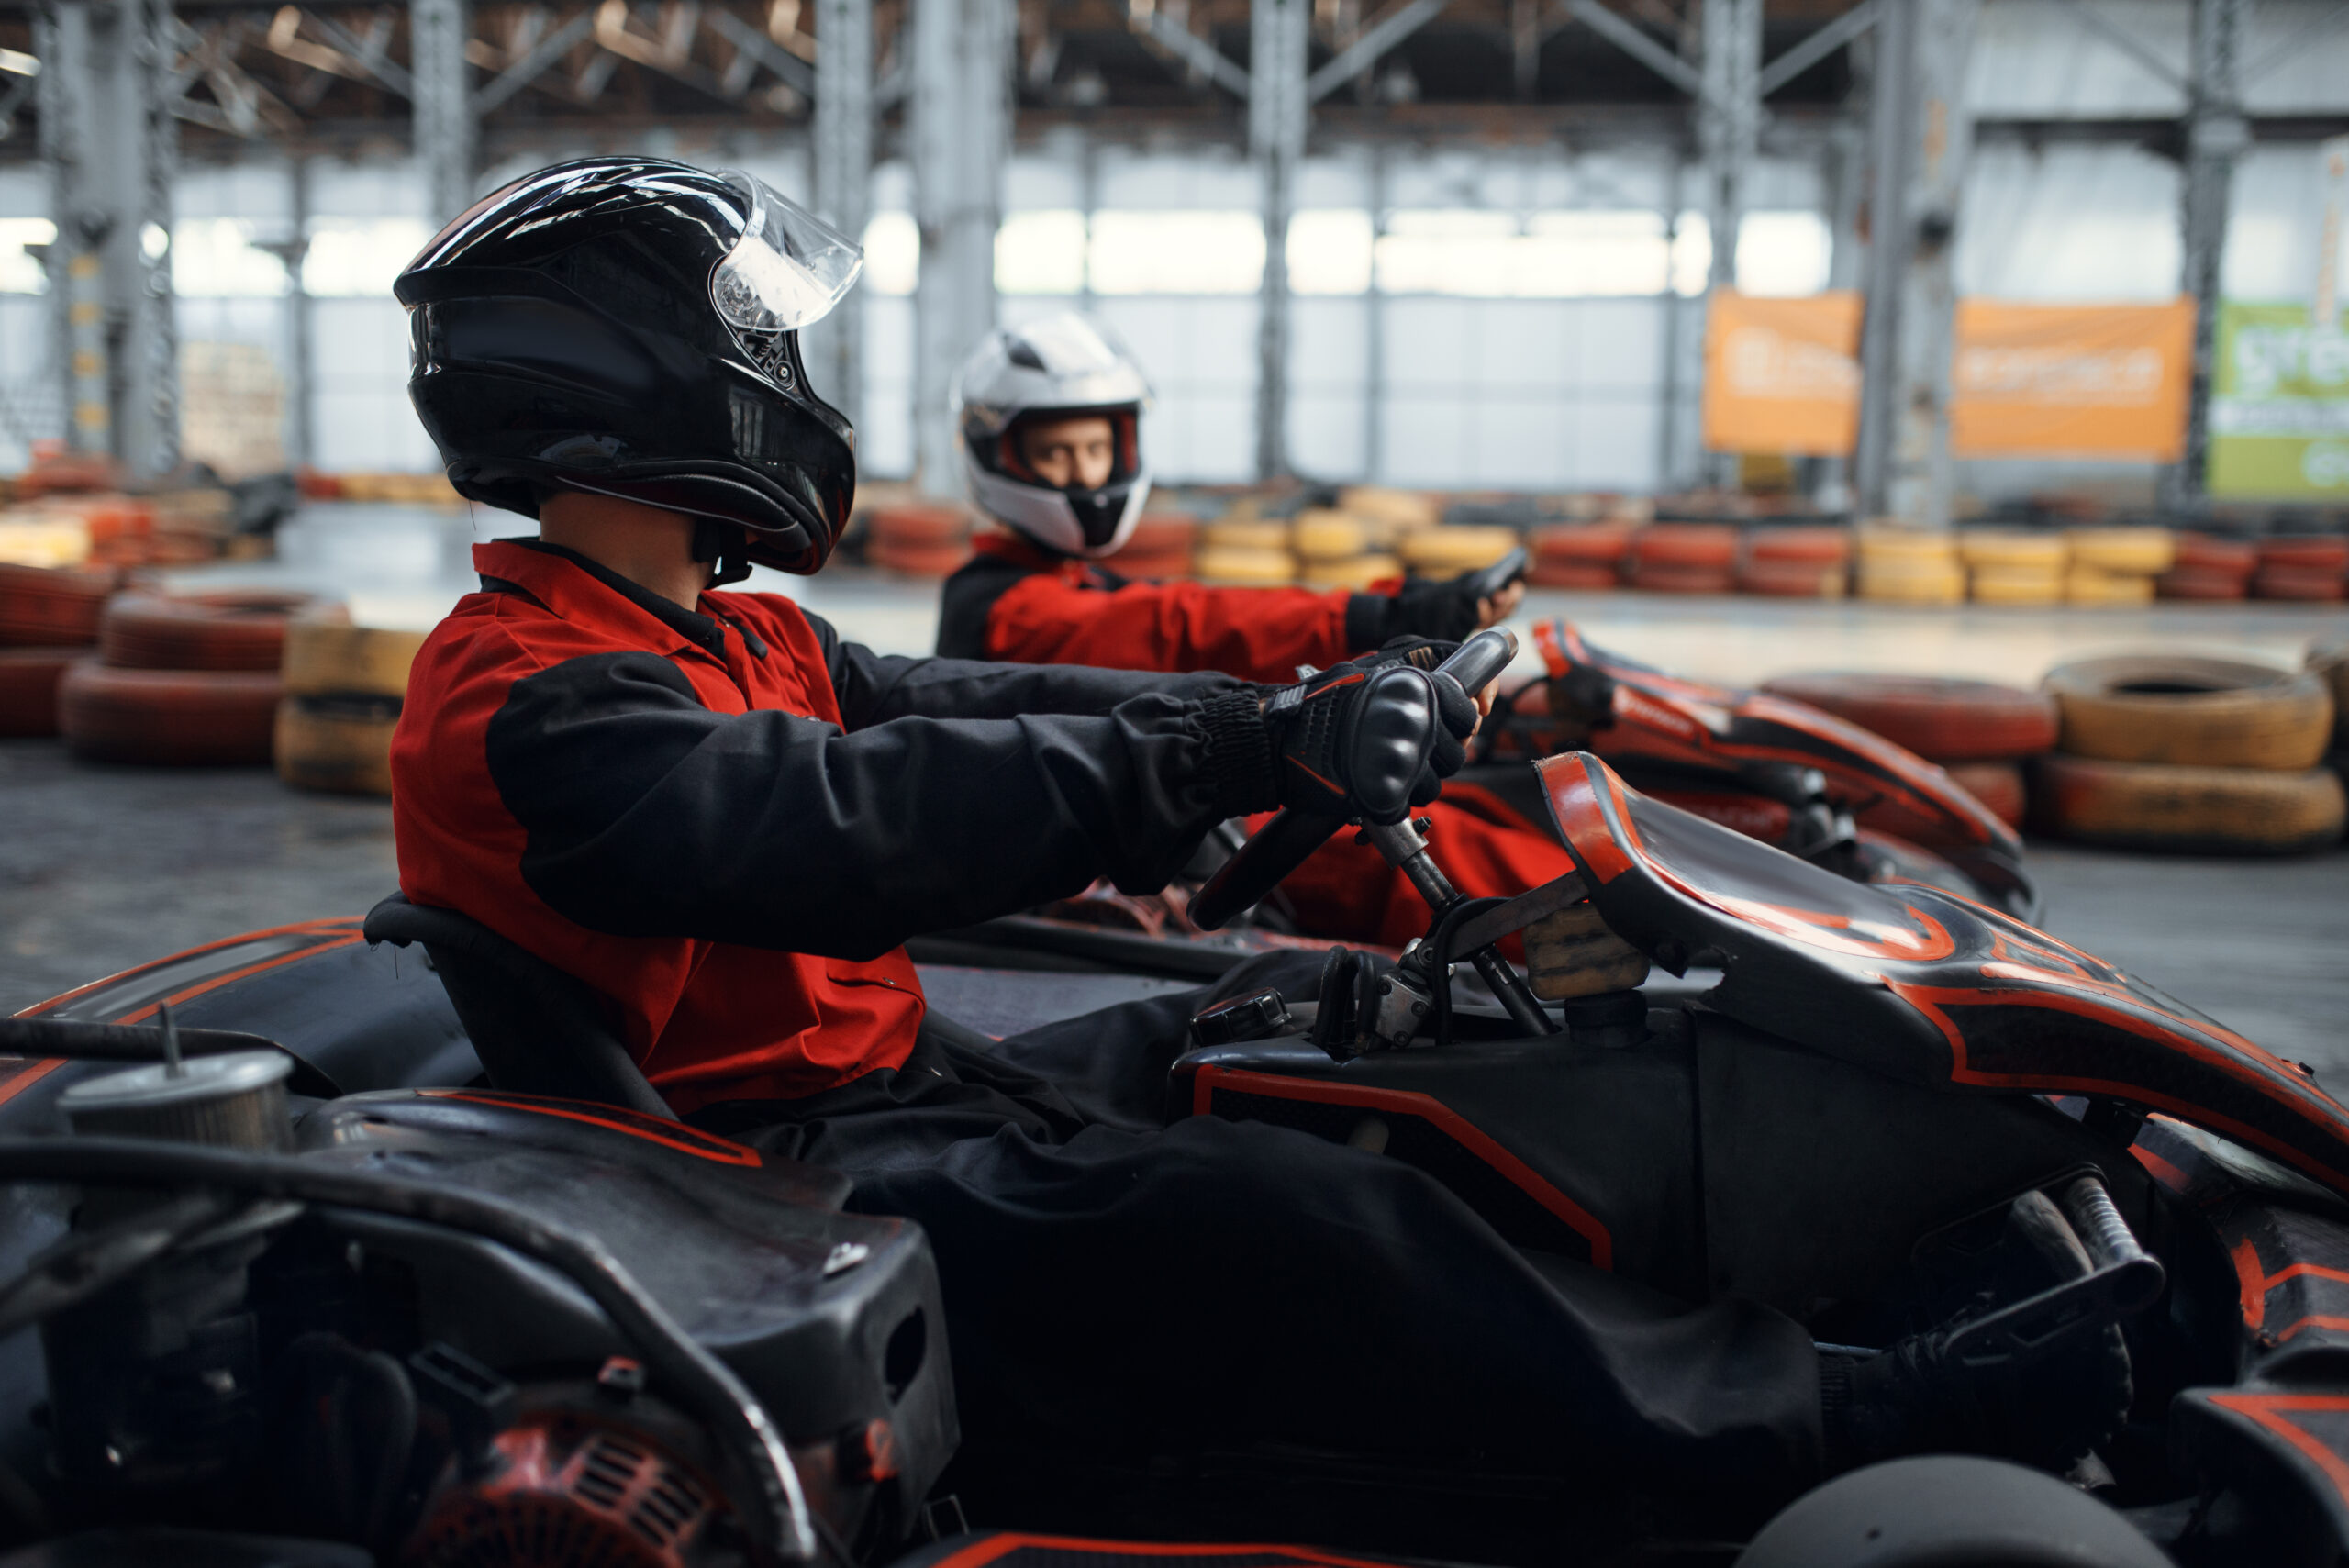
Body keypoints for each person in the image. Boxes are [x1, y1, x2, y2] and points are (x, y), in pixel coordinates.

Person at [387, 157, 2116, 1546]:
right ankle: (1834, 1412)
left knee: (1314, 1034)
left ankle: (1788, 1257)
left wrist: (1281, 712)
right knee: (1282, 1211)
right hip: (754, 1180)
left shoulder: (729, 631)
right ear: (639, 381)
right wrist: (1220, 751)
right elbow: (860, 814)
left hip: (897, 1086)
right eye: (766, 348)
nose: (794, 384)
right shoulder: (527, 695)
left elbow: (972, 698)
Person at [939, 312, 1575, 948]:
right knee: (1466, 855)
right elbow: (1192, 627)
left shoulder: (1074, 581)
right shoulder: (1006, 612)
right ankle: (1604, 929)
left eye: (1096, 449)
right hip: (1176, 828)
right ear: (997, 457)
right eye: (1056, 453)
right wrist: (1383, 618)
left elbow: (1215, 621)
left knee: (1475, 803)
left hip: (1180, 801)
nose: (1085, 476)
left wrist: (1395, 618)